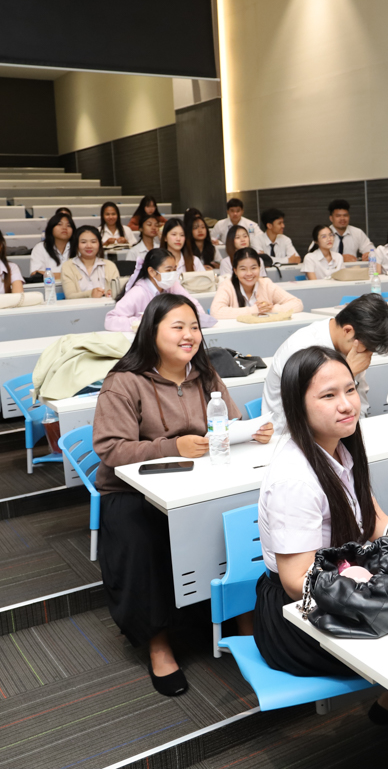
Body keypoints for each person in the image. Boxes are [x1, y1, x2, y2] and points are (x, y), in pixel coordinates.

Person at [93, 292, 272, 696]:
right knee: (142, 536)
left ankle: (243, 615)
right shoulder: (124, 382)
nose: (189, 335)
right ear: (151, 332)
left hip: (198, 481)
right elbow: (111, 449)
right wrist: (172, 446)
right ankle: (158, 643)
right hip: (133, 490)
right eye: (178, 327)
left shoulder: (205, 374)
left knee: (245, 517)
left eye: (194, 326)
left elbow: (229, 422)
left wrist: (250, 433)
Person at [255, 344, 388, 724]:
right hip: (297, 615)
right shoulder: (295, 479)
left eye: (350, 390)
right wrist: (378, 571)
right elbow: (296, 582)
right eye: (328, 396)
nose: (346, 404)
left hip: (342, 584)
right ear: (297, 406)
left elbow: (374, 520)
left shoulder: (339, 449)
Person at [262, 293, 388, 434]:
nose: (367, 354)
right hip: (291, 435)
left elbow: (359, 402)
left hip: (334, 432)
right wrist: (349, 372)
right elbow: (311, 411)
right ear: (347, 331)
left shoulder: (352, 345)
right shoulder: (301, 349)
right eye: (368, 348)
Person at [105, 249, 217, 332]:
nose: (173, 274)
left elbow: (195, 307)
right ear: (152, 272)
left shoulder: (173, 285)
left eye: (174, 269)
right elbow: (110, 320)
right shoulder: (138, 292)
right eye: (168, 270)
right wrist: (141, 322)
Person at [209, 247, 304, 319]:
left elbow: (297, 304)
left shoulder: (266, 283)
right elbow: (215, 312)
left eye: (253, 268)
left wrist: (270, 309)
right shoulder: (227, 286)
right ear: (235, 271)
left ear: (259, 268)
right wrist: (254, 310)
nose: (249, 273)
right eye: (243, 269)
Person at [59, 225, 121, 299]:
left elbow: (118, 292)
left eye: (93, 242)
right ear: (77, 244)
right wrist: (90, 294)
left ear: (99, 244)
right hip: (80, 306)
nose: (89, 246)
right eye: (83, 242)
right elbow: (70, 296)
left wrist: (112, 293)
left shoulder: (110, 265)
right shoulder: (68, 266)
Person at [28, 211, 74, 279]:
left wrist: (49, 274)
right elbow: (36, 274)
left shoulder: (79, 247)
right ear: (51, 228)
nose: (64, 228)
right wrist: (71, 276)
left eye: (68, 225)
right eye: (59, 224)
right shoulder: (41, 247)